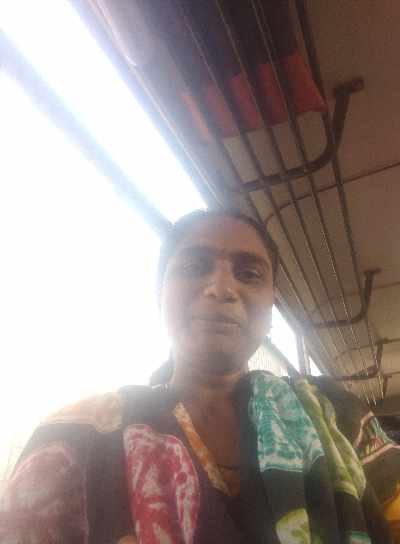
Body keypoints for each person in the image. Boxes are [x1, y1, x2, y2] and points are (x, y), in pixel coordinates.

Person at [1, 209, 399, 543]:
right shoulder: (78, 440)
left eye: (250, 274)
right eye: (194, 267)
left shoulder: (336, 414)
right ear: (159, 294)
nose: (222, 287)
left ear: (270, 308)